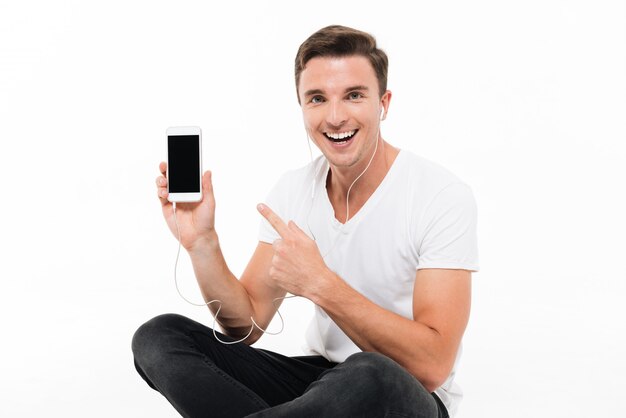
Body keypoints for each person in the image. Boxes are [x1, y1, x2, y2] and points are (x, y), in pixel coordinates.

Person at [132, 25, 479, 418]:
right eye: (317, 99)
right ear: (301, 107)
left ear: (383, 103)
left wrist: (321, 284)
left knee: (370, 371)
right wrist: (202, 243)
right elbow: (245, 325)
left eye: (353, 95)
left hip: (401, 393)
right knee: (160, 337)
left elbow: (432, 367)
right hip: (321, 387)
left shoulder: (440, 195)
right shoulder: (295, 190)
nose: (335, 116)